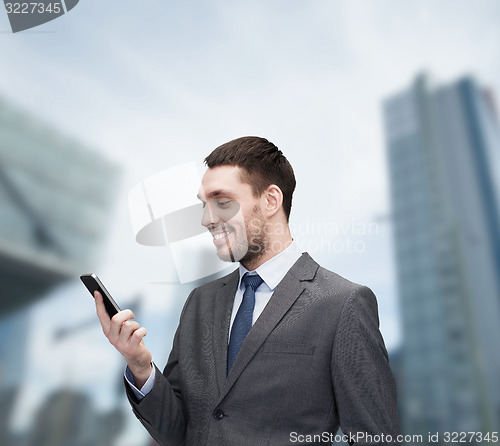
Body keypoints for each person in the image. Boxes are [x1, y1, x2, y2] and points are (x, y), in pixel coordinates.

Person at [94, 136, 400, 446]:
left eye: (222, 202)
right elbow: (178, 432)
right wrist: (140, 365)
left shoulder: (341, 303)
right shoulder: (201, 302)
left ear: (270, 201)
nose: (207, 219)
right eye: (204, 204)